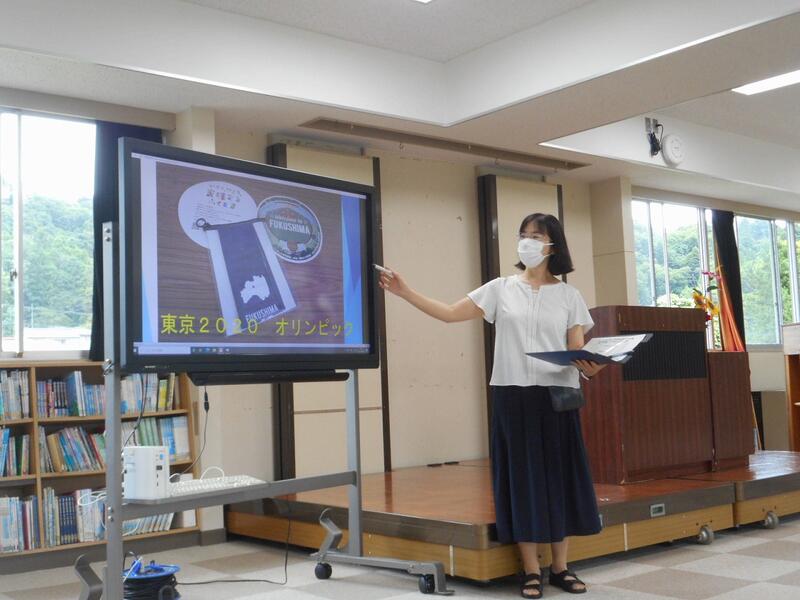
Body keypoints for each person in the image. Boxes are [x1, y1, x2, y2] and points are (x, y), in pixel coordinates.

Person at [379, 213, 604, 598]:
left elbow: (577, 351)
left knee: (559, 477)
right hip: (512, 395)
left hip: (557, 397)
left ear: (553, 245)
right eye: (523, 235)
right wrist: (405, 291)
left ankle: (561, 567)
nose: (527, 242)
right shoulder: (501, 288)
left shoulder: (570, 296)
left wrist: (593, 366)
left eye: (536, 236)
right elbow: (450, 313)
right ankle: (530, 569)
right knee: (521, 478)